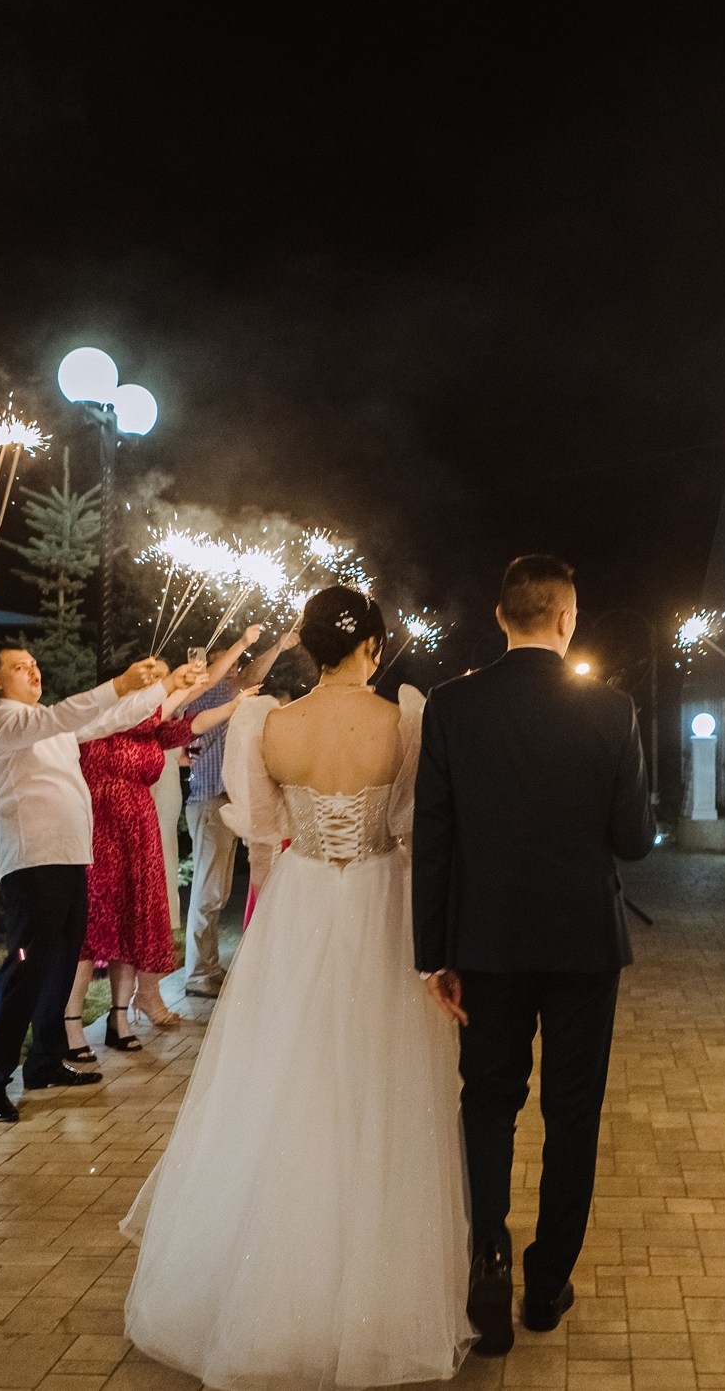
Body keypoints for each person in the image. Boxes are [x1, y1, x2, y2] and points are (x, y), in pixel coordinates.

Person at [120, 586, 470, 1390]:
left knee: (288, 1078)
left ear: (309, 647)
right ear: (373, 645)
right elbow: (415, 825)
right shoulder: (405, 717)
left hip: (302, 901)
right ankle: (375, 1292)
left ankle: (271, 1283)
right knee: (380, 1081)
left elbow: (266, 820)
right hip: (383, 900)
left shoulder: (266, 722)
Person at [414, 555, 654, 1355]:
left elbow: (435, 839)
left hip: (484, 942)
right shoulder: (612, 709)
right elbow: (634, 840)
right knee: (572, 1108)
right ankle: (548, 1281)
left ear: (501, 615)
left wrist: (432, 953)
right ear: (565, 619)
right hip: (584, 942)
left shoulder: (451, 706)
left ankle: (489, 1251)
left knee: (487, 1099)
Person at [0, 644, 191, 1122]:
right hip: (33, 861)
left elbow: (107, 720)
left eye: (34, 663)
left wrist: (164, 687)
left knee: (60, 965)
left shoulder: (50, 726)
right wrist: (120, 684)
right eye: (18, 666)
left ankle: (45, 1062)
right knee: (25, 969)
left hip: (72, 859)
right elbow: (70, 714)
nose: (32, 670)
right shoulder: (4, 724)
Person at [69, 659, 242, 1049]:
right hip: (102, 828)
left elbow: (191, 724)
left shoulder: (149, 728)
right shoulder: (104, 717)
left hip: (139, 829)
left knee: (132, 923)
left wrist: (233, 706)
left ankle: (119, 1021)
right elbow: (170, 704)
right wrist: (180, 684)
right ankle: (70, 1022)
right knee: (94, 924)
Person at [183, 627, 301, 999]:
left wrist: (279, 645)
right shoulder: (206, 696)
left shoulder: (229, 696)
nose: (235, 674)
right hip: (210, 801)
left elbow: (250, 678)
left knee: (218, 891)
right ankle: (198, 975)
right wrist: (275, 645)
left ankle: (208, 968)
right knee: (208, 890)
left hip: (225, 802)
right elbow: (251, 677)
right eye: (228, 667)